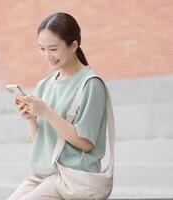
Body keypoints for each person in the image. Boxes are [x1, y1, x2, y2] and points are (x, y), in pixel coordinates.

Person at [7, 12, 109, 200]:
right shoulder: (44, 85)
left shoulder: (90, 84)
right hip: (42, 173)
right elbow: (43, 142)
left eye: (53, 49)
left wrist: (47, 113)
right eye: (42, 49)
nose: (47, 56)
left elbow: (86, 144)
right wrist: (30, 119)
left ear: (74, 45)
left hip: (71, 176)